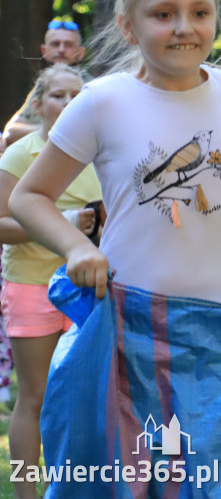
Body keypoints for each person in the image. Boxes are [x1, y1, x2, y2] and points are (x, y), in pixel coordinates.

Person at [8, 0, 221, 495]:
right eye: (163, 14)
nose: (184, 27)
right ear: (128, 25)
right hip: (131, 324)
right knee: (137, 476)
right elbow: (30, 197)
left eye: (199, 12)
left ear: (216, 17)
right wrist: (76, 248)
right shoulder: (100, 102)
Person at [1, 65, 101, 499]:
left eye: (77, 96)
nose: (69, 103)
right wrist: (65, 222)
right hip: (32, 285)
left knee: (87, 398)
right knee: (35, 397)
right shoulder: (21, 155)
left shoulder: (102, 155)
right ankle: (28, 496)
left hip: (89, 288)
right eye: (59, 95)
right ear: (38, 104)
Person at [2, 19, 88, 150]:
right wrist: (49, 130)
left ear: (81, 52)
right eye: (55, 44)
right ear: (44, 50)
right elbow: (12, 131)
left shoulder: (93, 87)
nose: (61, 50)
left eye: (69, 45)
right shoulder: (43, 85)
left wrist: (45, 130)